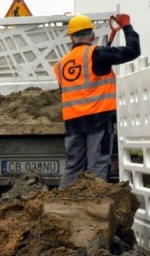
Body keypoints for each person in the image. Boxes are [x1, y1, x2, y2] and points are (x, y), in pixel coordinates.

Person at [54, 14, 140, 187]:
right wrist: (127, 27)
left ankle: (63, 205)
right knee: (97, 167)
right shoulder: (98, 54)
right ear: (92, 36)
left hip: (72, 122)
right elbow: (133, 51)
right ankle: (94, 208)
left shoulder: (60, 64)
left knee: (72, 168)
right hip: (98, 119)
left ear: (71, 37)